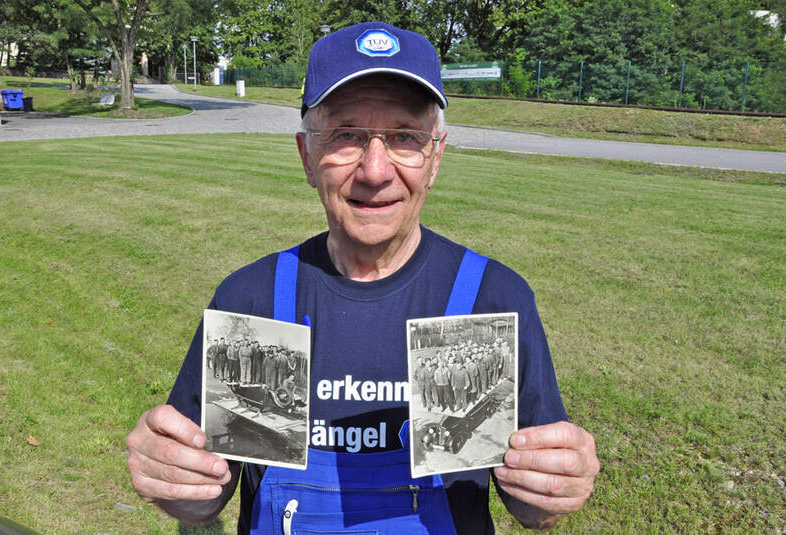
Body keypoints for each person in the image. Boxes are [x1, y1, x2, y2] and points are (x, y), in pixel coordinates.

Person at [126, 21, 598, 534]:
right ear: (308, 156)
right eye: (347, 135)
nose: (375, 171)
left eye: (404, 138)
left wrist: (551, 492)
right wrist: (174, 482)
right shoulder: (252, 302)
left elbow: (530, 508)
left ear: (435, 157)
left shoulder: (492, 298)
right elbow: (205, 497)